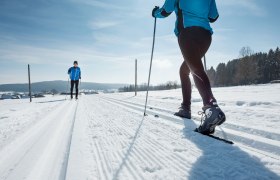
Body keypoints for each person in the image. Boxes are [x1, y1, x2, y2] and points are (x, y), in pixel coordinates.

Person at [152, 0, 225, 134]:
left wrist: (154, 13)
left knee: (195, 69)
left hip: (187, 33)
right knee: (185, 70)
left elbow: (164, 11)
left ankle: (211, 108)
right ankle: (186, 108)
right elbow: (213, 17)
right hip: (205, 36)